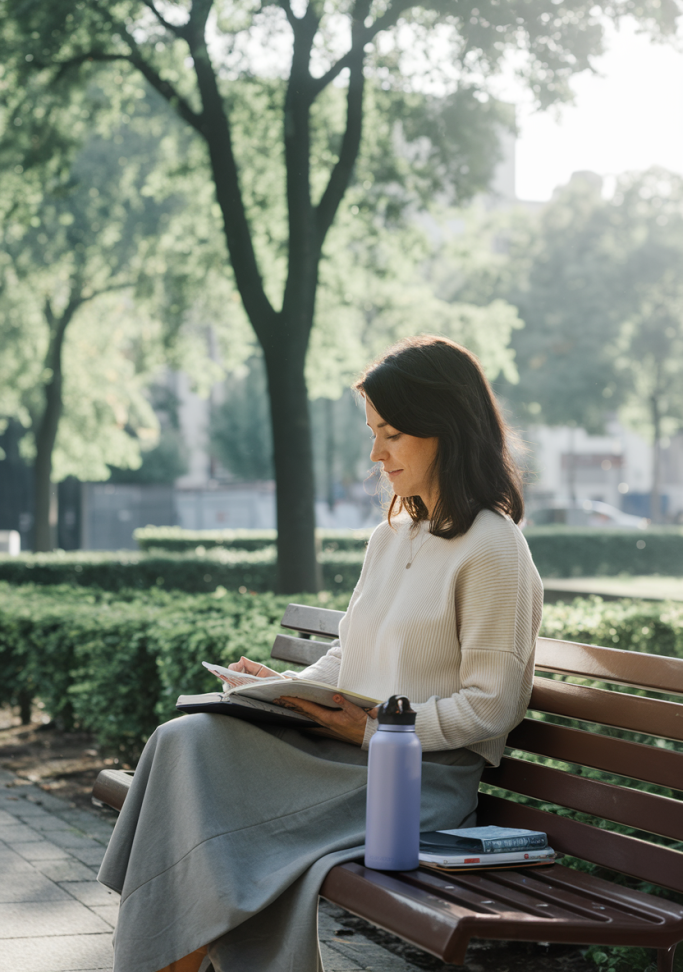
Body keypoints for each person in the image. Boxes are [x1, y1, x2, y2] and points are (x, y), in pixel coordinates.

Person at [98, 334, 543, 972]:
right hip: (341, 756)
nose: (375, 453)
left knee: (199, 788)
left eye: (391, 434)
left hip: (413, 780)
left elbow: (493, 706)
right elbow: (349, 653)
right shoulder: (391, 537)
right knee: (186, 740)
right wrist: (286, 688)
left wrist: (376, 731)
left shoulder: (494, 547)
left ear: (443, 426)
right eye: (373, 432)